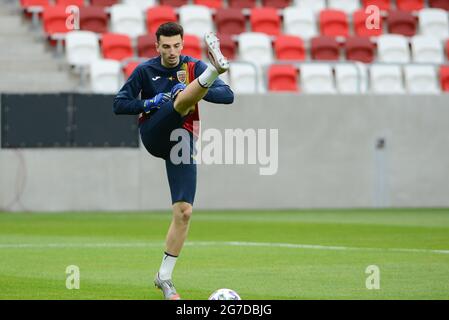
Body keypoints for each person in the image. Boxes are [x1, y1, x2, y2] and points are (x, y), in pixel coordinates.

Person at [113, 22, 234, 300]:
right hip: (155, 132)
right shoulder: (145, 70)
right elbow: (119, 103)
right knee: (179, 100)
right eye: (166, 46)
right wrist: (149, 102)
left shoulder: (192, 66)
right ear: (157, 47)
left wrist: (197, 88)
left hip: (182, 139)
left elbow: (228, 96)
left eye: (176, 45)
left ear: (182, 44)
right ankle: (217, 68)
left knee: (184, 212)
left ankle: (164, 277)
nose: (171, 51)